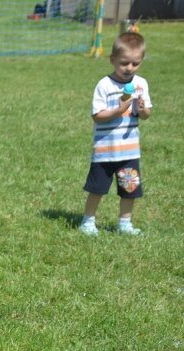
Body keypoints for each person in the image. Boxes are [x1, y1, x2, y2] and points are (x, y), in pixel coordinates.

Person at [79, 32, 151, 236]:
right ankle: (88, 221)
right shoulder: (105, 85)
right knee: (97, 188)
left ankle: (125, 223)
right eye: (124, 63)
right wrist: (119, 110)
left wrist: (144, 108)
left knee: (130, 190)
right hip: (105, 151)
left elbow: (145, 115)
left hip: (129, 152)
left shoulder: (141, 85)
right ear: (113, 60)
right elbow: (97, 116)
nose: (129, 68)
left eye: (135, 63)